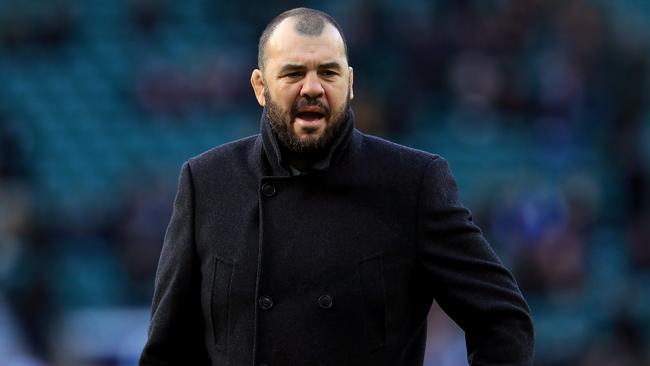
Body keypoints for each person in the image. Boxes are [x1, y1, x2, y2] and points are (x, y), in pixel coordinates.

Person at [139, 7, 534, 366]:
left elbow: (504, 320)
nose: (312, 88)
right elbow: (167, 351)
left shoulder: (411, 183)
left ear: (349, 83)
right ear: (260, 87)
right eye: (293, 73)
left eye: (328, 73)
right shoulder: (207, 182)